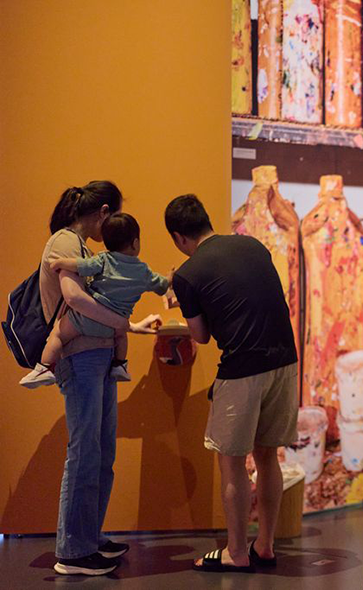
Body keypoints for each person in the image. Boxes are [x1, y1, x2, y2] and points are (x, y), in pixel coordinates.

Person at [165, 194, 298, 573]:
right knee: (268, 455)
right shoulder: (252, 245)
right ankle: (266, 545)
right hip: (285, 361)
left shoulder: (188, 274)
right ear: (207, 221)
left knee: (232, 463)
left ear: (179, 237)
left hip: (242, 369)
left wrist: (181, 297)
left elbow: (201, 336)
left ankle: (236, 552)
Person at [37, 182, 160, 576]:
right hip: (81, 355)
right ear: (104, 212)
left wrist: (126, 328)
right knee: (86, 451)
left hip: (99, 354)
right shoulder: (65, 242)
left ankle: (87, 537)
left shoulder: (87, 249)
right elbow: (75, 299)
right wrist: (127, 325)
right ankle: (72, 551)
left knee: (101, 452)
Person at [21, 212, 170, 388]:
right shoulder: (144, 273)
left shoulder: (104, 260)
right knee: (122, 336)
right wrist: (170, 278)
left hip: (87, 319)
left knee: (58, 334)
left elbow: (81, 266)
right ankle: (120, 365)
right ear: (136, 243)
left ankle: (44, 368)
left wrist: (60, 263)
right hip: (114, 327)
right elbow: (162, 286)